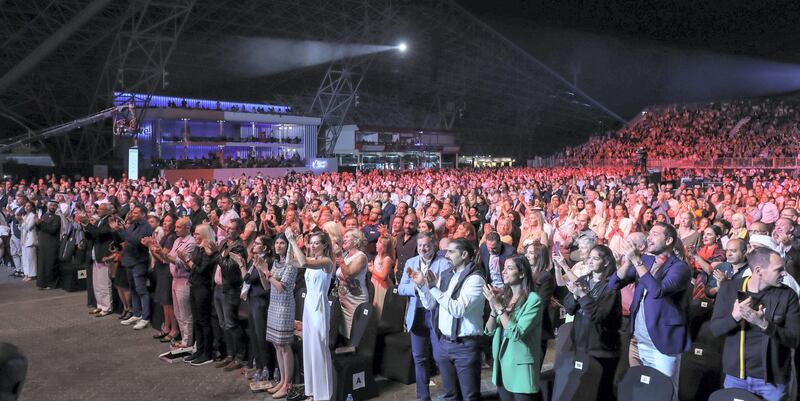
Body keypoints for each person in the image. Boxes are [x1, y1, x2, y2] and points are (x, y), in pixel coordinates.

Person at [609, 222, 692, 394]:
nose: (649, 237)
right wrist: (626, 262)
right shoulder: (646, 260)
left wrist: (637, 261)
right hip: (637, 342)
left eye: (655, 234)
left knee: (663, 392)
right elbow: (614, 283)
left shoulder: (680, 268)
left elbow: (657, 291)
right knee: (639, 390)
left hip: (663, 342)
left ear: (668, 240)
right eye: (649, 234)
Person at [710, 247, 800, 401]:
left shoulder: (788, 295)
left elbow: (795, 339)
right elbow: (715, 329)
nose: (784, 273)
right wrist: (734, 317)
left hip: (772, 382)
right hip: (735, 378)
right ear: (759, 270)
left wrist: (764, 324)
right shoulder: (729, 288)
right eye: (779, 270)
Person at [413, 238, 486, 401]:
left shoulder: (475, 280)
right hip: (445, 344)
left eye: (451, 251)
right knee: (450, 396)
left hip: (465, 346)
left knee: (470, 396)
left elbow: (458, 309)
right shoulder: (447, 276)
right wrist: (423, 287)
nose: (446, 255)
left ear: (465, 254)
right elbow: (431, 304)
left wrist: (433, 288)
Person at [563, 245, 622, 399]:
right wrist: (576, 297)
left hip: (601, 349)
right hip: (581, 345)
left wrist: (582, 295)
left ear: (607, 262)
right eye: (589, 257)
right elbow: (568, 308)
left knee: (601, 393)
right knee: (583, 391)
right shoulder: (583, 280)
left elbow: (599, 316)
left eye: (595, 258)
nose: (590, 261)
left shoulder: (611, 286)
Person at [398, 231, 450, 401]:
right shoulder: (411, 262)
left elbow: (445, 290)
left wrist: (426, 285)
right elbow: (401, 288)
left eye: (426, 245)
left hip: (435, 314)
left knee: (439, 357)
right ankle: (423, 397)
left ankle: (451, 393)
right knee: (419, 358)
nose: (423, 248)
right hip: (417, 314)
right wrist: (416, 288)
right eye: (420, 245)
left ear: (434, 245)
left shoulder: (443, 264)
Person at [483, 255, 543, 401]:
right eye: (504, 268)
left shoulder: (533, 300)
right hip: (502, 366)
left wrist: (498, 306)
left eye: (509, 268)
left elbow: (516, 333)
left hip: (520, 368)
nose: (504, 272)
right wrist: (493, 307)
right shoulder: (505, 298)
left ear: (522, 273)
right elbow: (489, 331)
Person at [287, 229, 334, 401]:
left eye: (316, 243)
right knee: (309, 350)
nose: (313, 246)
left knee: (319, 350)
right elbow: (292, 262)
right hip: (309, 306)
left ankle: (323, 395)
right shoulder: (313, 259)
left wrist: (293, 241)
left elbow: (303, 262)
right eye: (311, 242)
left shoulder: (327, 261)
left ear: (324, 245)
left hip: (319, 306)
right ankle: (313, 393)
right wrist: (287, 245)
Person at [263, 234, 299, 399]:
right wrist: (260, 269)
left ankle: (288, 384)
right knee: (277, 345)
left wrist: (266, 272)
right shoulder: (275, 263)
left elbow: (281, 287)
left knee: (284, 345)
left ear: (287, 246)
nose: (278, 246)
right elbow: (267, 285)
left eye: (282, 243)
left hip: (285, 306)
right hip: (274, 305)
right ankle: (282, 380)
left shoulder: (291, 265)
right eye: (276, 242)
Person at [212, 218, 248, 372]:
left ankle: (240, 356)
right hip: (219, 288)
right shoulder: (226, 244)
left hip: (231, 290)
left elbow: (228, 268)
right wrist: (221, 252)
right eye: (227, 228)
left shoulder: (239, 247)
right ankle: (230, 354)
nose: (228, 230)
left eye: (232, 228)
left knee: (232, 324)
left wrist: (218, 254)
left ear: (239, 231)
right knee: (223, 324)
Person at [113, 205, 154, 330]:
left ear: (143, 214)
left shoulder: (146, 226)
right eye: (133, 212)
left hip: (139, 262)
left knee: (141, 290)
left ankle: (145, 317)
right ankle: (137, 314)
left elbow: (135, 240)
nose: (132, 214)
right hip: (129, 261)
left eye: (136, 213)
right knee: (133, 289)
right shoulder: (132, 225)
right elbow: (126, 239)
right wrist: (118, 230)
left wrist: (122, 231)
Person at [183, 224, 217, 366]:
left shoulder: (208, 249)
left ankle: (207, 353)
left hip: (203, 288)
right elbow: (193, 270)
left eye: (197, 234)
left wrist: (187, 260)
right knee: (197, 320)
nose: (195, 236)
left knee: (203, 321)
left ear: (203, 235)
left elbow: (202, 270)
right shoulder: (198, 248)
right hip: (194, 286)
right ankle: (199, 350)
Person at [82, 202, 115, 317]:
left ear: (108, 210)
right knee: (96, 283)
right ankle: (99, 305)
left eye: (101, 209)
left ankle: (107, 307)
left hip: (104, 255)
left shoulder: (109, 220)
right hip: (95, 255)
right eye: (99, 209)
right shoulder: (100, 221)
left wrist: (88, 224)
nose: (98, 210)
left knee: (104, 283)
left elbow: (100, 233)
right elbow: (92, 235)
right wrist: (86, 226)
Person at [337, 228, 369, 341]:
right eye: (343, 236)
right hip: (343, 301)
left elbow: (348, 275)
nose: (343, 239)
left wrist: (339, 258)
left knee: (354, 335)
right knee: (343, 333)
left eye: (347, 237)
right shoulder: (346, 256)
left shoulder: (361, 257)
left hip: (356, 301)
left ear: (356, 241)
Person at [34, 200, 60, 290]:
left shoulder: (57, 217)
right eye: (51, 205)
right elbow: (39, 228)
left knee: (50, 264)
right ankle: (42, 284)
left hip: (51, 243)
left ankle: (51, 284)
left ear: (56, 208)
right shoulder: (44, 215)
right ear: (48, 206)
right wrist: (37, 223)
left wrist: (41, 223)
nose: (52, 207)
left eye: (54, 206)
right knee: (42, 264)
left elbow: (53, 229)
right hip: (42, 243)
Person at [369, 235, 394, 320]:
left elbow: (383, 276)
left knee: (379, 309)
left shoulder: (387, 259)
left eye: (378, 242)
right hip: (374, 283)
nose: (376, 244)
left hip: (381, 286)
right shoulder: (377, 256)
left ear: (384, 246)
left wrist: (372, 270)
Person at [20, 202, 37, 282]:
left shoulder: (33, 216)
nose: (26, 207)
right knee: (25, 258)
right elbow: (21, 227)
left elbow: (28, 227)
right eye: (25, 206)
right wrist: (22, 222)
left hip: (30, 239)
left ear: (32, 207)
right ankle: (26, 273)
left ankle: (32, 274)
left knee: (31, 258)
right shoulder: (25, 216)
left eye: (29, 206)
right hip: (24, 239)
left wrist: (22, 222)